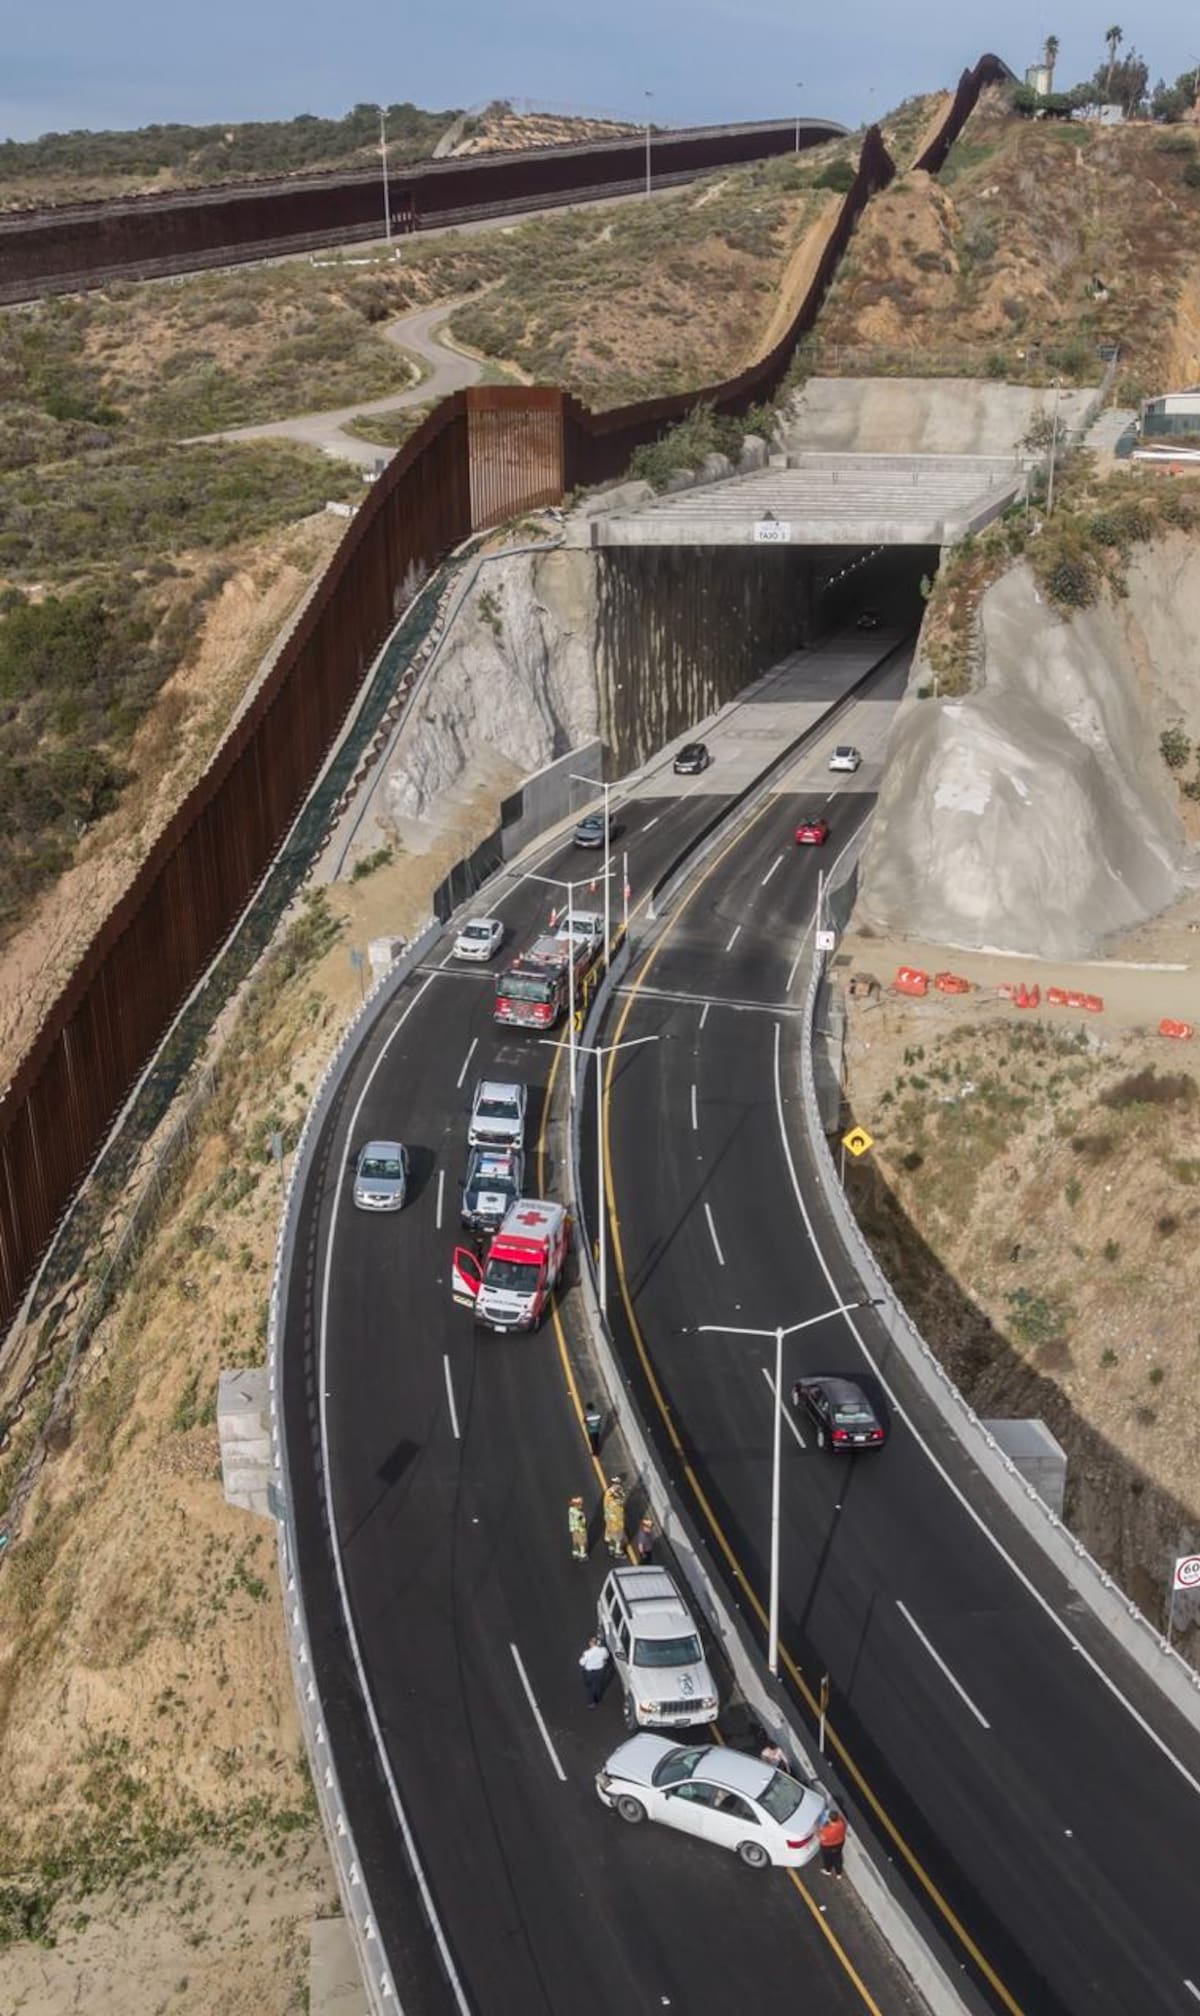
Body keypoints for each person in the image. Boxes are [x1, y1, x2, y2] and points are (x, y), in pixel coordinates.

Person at [579, 1634, 610, 1707]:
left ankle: (591, 1702)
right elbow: (607, 1656)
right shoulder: (603, 1650)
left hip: (589, 1673)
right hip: (600, 1671)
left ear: (591, 1643)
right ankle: (597, 1698)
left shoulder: (587, 1653)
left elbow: (581, 1663)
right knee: (598, 1685)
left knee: (590, 1687)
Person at [819, 1806, 847, 1879]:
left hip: (827, 1846)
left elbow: (822, 1838)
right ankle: (839, 1873)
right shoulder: (841, 1822)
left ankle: (828, 1870)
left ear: (830, 1819)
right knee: (838, 1857)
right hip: (839, 1843)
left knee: (828, 1859)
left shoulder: (826, 1830)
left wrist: (819, 1830)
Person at [602, 1476, 626, 1559]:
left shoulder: (611, 1492)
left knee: (612, 1533)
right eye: (616, 1483)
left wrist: (606, 1514)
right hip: (616, 1519)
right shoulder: (615, 1495)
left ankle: (611, 1548)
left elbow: (605, 1504)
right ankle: (617, 1551)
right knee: (618, 1536)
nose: (617, 1485)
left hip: (612, 1517)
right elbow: (620, 1502)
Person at [568, 1495, 588, 1563]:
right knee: (582, 1543)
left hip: (573, 1529)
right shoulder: (579, 1514)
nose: (581, 1505)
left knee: (575, 1541)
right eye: (580, 1504)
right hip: (580, 1530)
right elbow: (582, 1523)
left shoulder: (571, 1510)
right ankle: (582, 1555)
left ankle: (575, 1552)